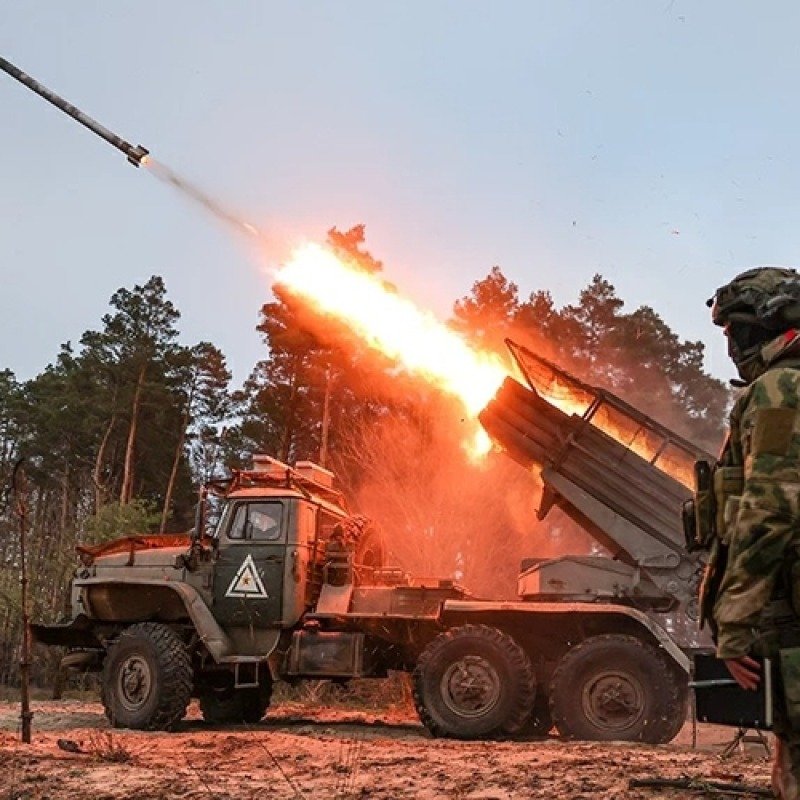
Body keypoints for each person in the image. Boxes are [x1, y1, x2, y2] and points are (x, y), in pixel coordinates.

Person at [701, 266, 800, 799]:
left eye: (735, 331)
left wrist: (734, 619)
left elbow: (768, 509)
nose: (732, 346)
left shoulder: (781, 390)